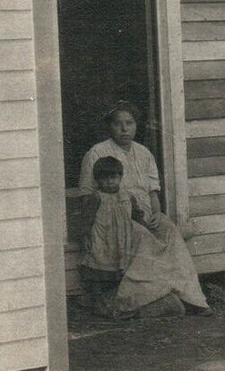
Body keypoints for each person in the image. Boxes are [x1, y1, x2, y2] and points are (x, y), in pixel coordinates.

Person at [76, 103, 210, 318]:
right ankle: (135, 300)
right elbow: (87, 197)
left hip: (146, 215)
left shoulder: (144, 153)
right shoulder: (98, 152)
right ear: (109, 127)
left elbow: (152, 192)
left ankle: (192, 298)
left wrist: (156, 213)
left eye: (129, 123)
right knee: (146, 240)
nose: (124, 129)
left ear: (136, 126)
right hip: (117, 219)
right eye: (118, 124)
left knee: (170, 232)